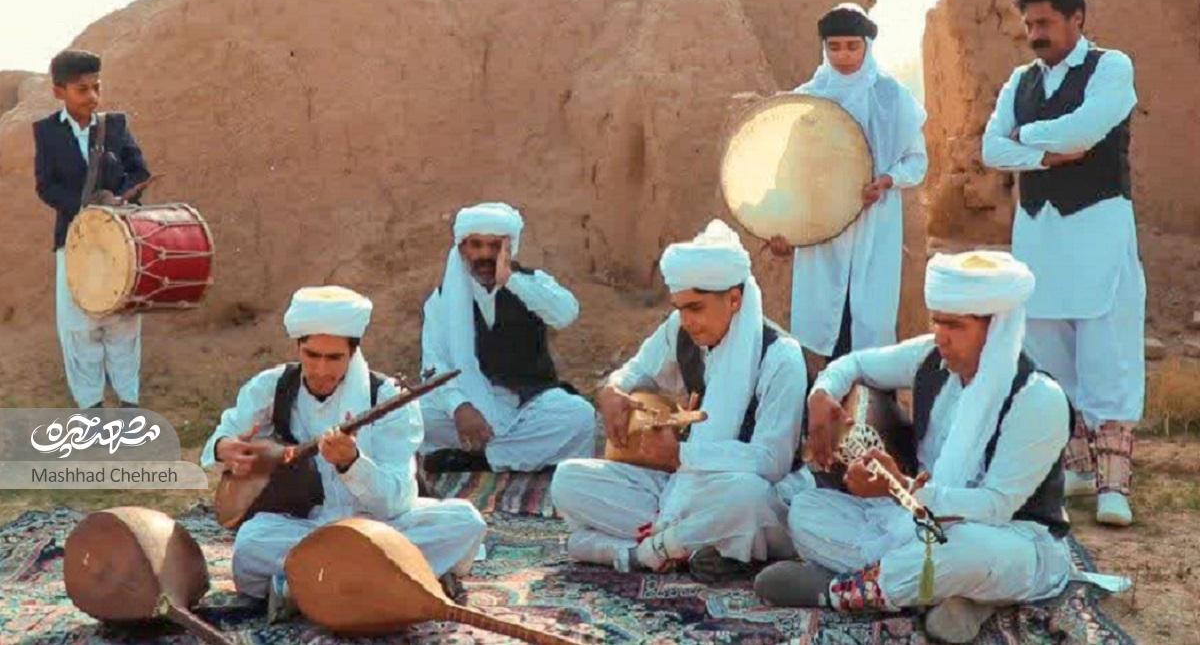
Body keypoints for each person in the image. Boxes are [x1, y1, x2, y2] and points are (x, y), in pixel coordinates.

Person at [755, 251, 1072, 643]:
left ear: (997, 328)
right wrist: (822, 394)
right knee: (806, 510)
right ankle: (954, 597)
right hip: (916, 520)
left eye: (955, 326)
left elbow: (995, 506)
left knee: (965, 549)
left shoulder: (1038, 399)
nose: (941, 336)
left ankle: (838, 591)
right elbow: (853, 365)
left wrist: (901, 490)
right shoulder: (931, 358)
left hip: (1011, 538)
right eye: (937, 321)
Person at [201, 285, 486, 618]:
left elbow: (396, 500)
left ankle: (302, 587)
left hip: (383, 529)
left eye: (334, 357)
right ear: (298, 347)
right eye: (312, 355)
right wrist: (225, 448)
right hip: (309, 528)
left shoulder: (388, 398)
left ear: (352, 353)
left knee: (465, 522)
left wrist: (351, 464)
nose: (321, 370)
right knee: (252, 542)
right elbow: (222, 436)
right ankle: (396, 582)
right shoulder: (272, 386)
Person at [551, 220, 808, 581]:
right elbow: (636, 370)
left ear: (734, 299)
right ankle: (699, 547)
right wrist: (612, 389)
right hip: (679, 488)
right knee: (568, 480)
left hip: (750, 495)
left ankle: (635, 552)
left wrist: (680, 455)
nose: (686, 320)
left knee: (744, 498)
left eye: (695, 308)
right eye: (680, 307)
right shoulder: (680, 329)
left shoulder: (781, 357)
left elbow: (772, 461)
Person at [981, 0, 1143, 526]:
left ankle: (1113, 487)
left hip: (1096, 227)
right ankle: (1073, 470)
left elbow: (1084, 134)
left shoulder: (1112, 68)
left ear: (1077, 19)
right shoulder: (1019, 81)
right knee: (1047, 350)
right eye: (1029, 24)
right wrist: (1044, 152)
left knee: (1105, 348)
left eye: (1045, 22)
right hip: (1039, 234)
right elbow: (990, 148)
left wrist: (1025, 138)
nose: (1035, 34)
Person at [769, 3, 928, 375]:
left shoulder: (891, 97)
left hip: (875, 227)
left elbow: (916, 162)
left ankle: (868, 419)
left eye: (851, 46)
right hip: (822, 231)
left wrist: (888, 180)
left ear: (867, 46)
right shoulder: (808, 99)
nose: (843, 56)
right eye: (834, 46)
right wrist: (784, 227)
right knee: (825, 322)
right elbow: (789, 173)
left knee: (869, 323)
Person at [419, 202, 596, 472]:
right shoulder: (443, 299)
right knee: (416, 418)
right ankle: (514, 457)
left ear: (509, 247)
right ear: (462, 249)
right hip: (469, 403)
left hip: (528, 402)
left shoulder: (531, 283)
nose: (485, 255)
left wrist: (510, 280)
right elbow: (434, 363)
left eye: (494, 246)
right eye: (476, 245)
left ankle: (477, 459)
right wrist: (460, 408)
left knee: (579, 417)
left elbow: (565, 314)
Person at [33, 49, 150, 408]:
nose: (93, 97)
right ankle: (92, 410)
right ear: (59, 92)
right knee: (78, 325)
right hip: (74, 237)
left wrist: (121, 199)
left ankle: (129, 407)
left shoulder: (115, 125)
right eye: (82, 89)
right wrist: (85, 209)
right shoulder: (47, 132)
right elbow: (46, 185)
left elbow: (140, 171)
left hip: (119, 239)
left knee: (124, 323)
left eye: (96, 87)